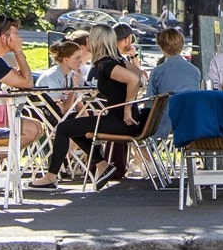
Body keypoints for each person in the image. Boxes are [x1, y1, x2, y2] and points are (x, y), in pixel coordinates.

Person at [29, 24, 143, 190]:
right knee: (72, 127)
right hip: (123, 120)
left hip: (120, 121)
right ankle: (101, 164)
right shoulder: (115, 61)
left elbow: (135, 79)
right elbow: (138, 74)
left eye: (90, 37)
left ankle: (51, 176)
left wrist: (126, 108)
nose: (87, 40)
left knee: (63, 128)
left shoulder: (106, 64)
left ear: (97, 41)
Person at [146, 28, 202, 139]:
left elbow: (150, 101)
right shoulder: (195, 71)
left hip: (164, 123)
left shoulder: (158, 71)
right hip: (190, 122)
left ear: (161, 48)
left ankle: (147, 156)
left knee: (138, 137)